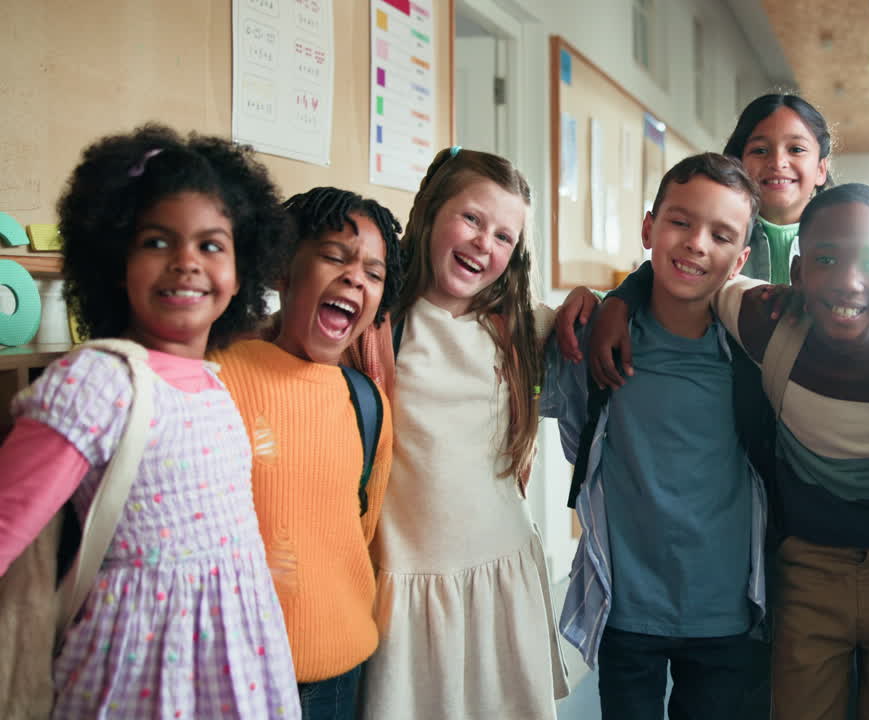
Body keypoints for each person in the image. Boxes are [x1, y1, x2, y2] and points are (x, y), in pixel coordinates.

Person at [602, 183, 869, 720]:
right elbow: (692, 268)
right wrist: (616, 300)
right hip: (808, 567)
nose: (848, 281)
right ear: (794, 274)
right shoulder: (767, 322)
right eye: (826, 259)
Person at [0, 124, 301, 718]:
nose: (186, 262)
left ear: (241, 272)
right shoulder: (95, 384)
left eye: (212, 245)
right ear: (116, 262)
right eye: (158, 242)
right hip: (141, 677)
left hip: (240, 664)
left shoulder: (215, 381)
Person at [359, 147, 584, 720]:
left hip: (499, 573)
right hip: (410, 578)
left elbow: (597, 324)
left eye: (505, 237)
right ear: (432, 213)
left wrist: (596, 299)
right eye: (472, 220)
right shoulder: (380, 326)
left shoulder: (519, 327)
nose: (486, 243)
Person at [544, 153, 769, 720]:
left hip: (723, 610)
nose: (696, 244)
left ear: (740, 259)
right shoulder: (598, 338)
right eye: (680, 222)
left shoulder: (751, 355)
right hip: (626, 606)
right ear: (648, 228)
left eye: (720, 235)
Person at [579, 93, 869, 391]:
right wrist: (612, 302)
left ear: (820, 168)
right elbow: (663, 278)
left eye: (796, 149)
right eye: (759, 149)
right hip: (740, 416)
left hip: (824, 417)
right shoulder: (722, 241)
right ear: (738, 163)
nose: (777, 161)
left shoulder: (852, 235)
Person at [214, 187, 402, 719]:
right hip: (233, 674)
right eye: (333, 256)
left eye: (373, 273)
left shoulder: (368, 405)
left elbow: (359, 533)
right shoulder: (219, 373)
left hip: (336, 676)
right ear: (282, 269)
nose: (354, 278)